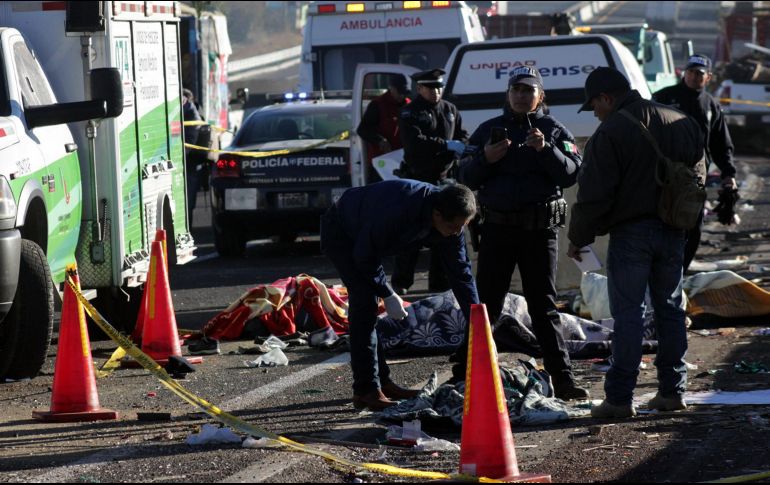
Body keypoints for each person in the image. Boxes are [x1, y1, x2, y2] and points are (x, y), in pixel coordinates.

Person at [567, 67, 705, 418]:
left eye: (594, 105)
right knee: (671, 310)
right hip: (675, 230)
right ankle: (673, 392)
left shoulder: (611, 131)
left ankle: (619, 399)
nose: (595, 112)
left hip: (632, 234)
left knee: (629, 314)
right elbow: (697, 181)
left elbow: (594, 195)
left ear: (607, 97)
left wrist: (579, 238)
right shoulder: (682, 120)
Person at [456, 66, 587, 400]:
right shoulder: (488, 130)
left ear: (540, 96)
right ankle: (464, 374)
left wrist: (546, 150)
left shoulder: (554, 130)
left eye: (528, 91)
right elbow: (466, 177)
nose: (521, 96)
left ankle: (563, 378)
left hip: (539, 232)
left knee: (543, 307)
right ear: (508, 94)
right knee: (486, 306)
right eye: (516, 90)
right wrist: (486, 157)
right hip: (498, 230)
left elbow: (571, 173)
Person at [320, 180, 480, 411]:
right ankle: (366, 390)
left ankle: (382, 383)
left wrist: (477, 316)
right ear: (437, 215)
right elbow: (365, 256)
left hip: (368, 237)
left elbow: (461, 274)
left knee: (369, 304)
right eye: (455, 227)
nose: (457, 233)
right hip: (343, 231)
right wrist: (387, 293)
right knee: (365, 304)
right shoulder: (399, 211)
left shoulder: (451, 221)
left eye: (463, 227)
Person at [653, 54, 738, 271]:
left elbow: (721, 144)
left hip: (696, 177)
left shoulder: (711, 105)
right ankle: (659, 273)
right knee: (661, 225)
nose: (693, 76)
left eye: (699, 73)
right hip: (663, 177)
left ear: (708, 77)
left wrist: (729, 174)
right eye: (690, 71)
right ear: (684, 72)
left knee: (693, 226)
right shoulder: (663, 98)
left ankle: (679, 272)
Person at [393, 68, 469, 295]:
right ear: (420, 89)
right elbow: (415, 143)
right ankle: (401, 282)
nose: (436, 92)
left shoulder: (450, 109)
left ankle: (439, 284)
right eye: (431, 87)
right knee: (412, 234)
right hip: (418, 180)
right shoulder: (410, 112)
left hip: (444, 180)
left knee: (444, 233)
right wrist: (444, 145)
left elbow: (462, 136)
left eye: (439, 87)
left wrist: (457, 149)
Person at [356, 74, 411, 182]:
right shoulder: (377, 105)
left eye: (404, 93)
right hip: (381, 163)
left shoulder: (409, 105)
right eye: (399, 92)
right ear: (391, 88)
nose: (402, 96)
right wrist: (380, 140)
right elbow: (362, 130)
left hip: (402, 162)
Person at [182, 88, 203, 225]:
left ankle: (187, 229)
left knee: (187, 202)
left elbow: (190, 140)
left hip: (189, 164)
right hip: (190, 164)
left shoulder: (190, 112)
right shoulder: (190, 111)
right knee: (187, 201)